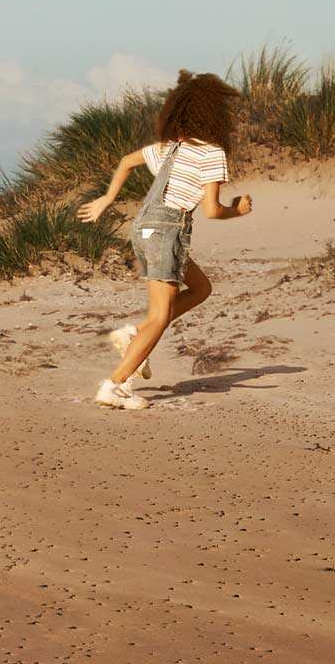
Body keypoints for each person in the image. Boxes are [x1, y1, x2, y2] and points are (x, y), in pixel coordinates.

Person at [77, 71, 252, 410]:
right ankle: (115, 386)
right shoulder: (212, 153)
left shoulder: (170, 148)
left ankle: (134, 334)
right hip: (167, 230)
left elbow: (127, 162)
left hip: (143, 227)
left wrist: (106, 199)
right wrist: (238, 210)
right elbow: (213, 211)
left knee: (200, 288)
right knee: (161, 316)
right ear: (214, 115)